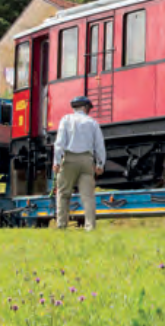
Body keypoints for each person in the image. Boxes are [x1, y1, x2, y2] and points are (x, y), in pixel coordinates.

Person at [53, 96, 106, 230]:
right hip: (87, 161)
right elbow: (99, 145)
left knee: (63, 194)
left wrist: (57, 162)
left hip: (69, 159)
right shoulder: (92, 122)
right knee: (87, 196)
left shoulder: (66, 120)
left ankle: (61, 225)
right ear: (85, 108)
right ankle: (90, 227)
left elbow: (59, 143)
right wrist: (100, 164)